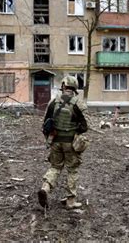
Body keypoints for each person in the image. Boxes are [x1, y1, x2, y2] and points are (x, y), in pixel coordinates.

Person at [38, 75, 88, 209]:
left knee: (55, 167)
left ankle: (45, 188)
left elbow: (45, 123)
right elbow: (85, 126)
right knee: (72, 170)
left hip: (55, 141)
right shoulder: (79, 103)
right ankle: (71, 201)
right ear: (75, 88)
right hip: (71, 143)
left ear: (63, 87)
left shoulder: (53, 102)